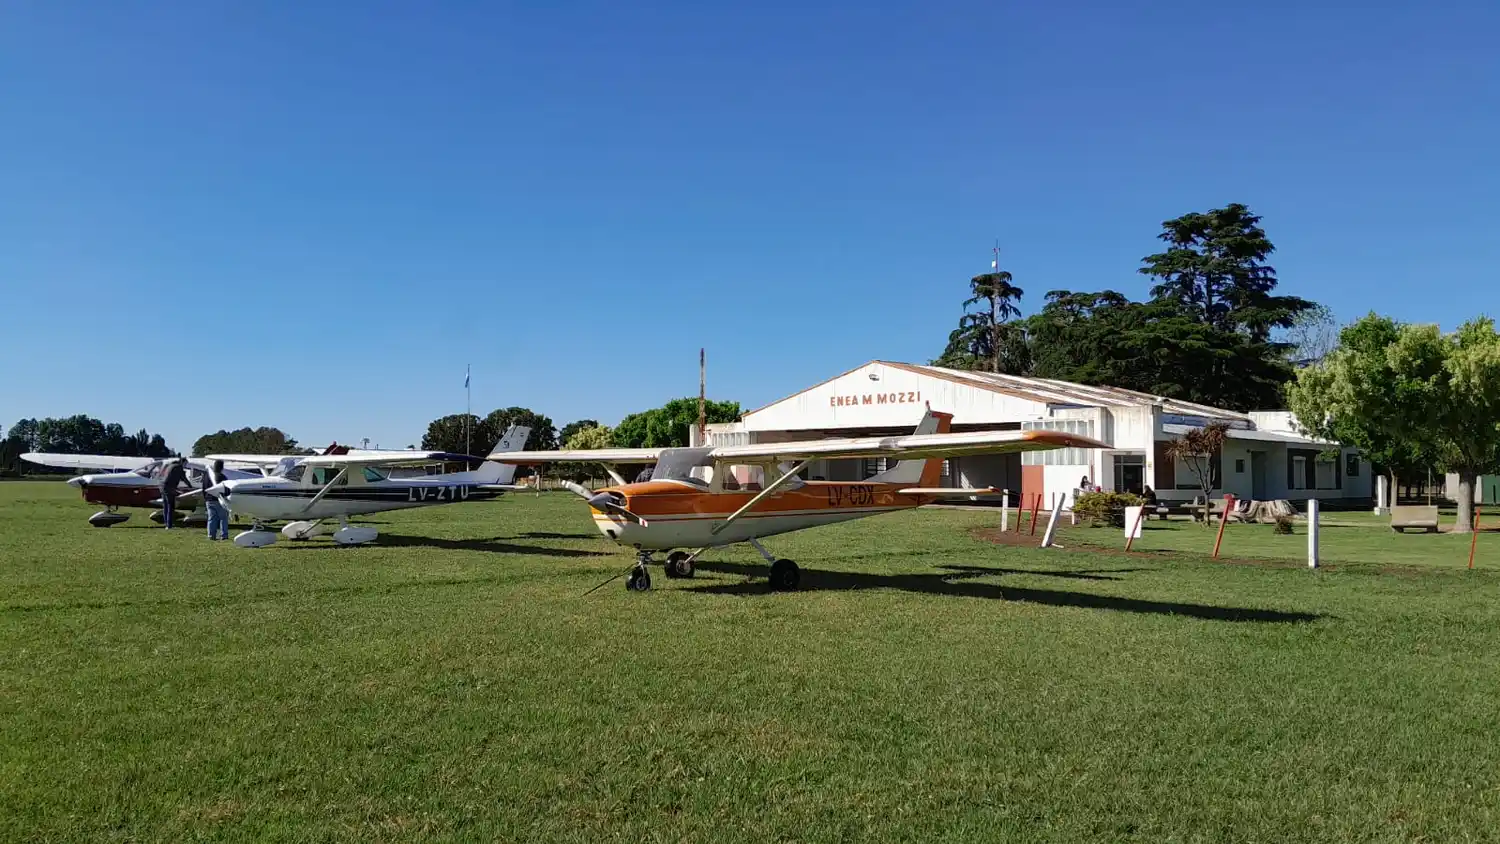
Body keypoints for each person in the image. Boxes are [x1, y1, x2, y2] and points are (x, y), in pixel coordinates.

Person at [159, 457, 190, 529]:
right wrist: (190, 486)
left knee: (165, 506)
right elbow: (184, 478)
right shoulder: (179, 467)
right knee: (171, 506)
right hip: (169, 488)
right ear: (183, 462)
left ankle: (166, 524)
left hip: (162, 486)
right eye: (185, 464)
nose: (185, 465)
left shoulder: (170, 465)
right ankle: (169, 525)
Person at [205, 459, 230, 541]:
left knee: (211, 518)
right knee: (223, 518)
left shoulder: (207, 476)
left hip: (209, 500)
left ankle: (211, 535)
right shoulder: (222, 477)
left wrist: (206, 498)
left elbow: (203, 489)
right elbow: (226, 489)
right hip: (219, 500)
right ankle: (224, 535)